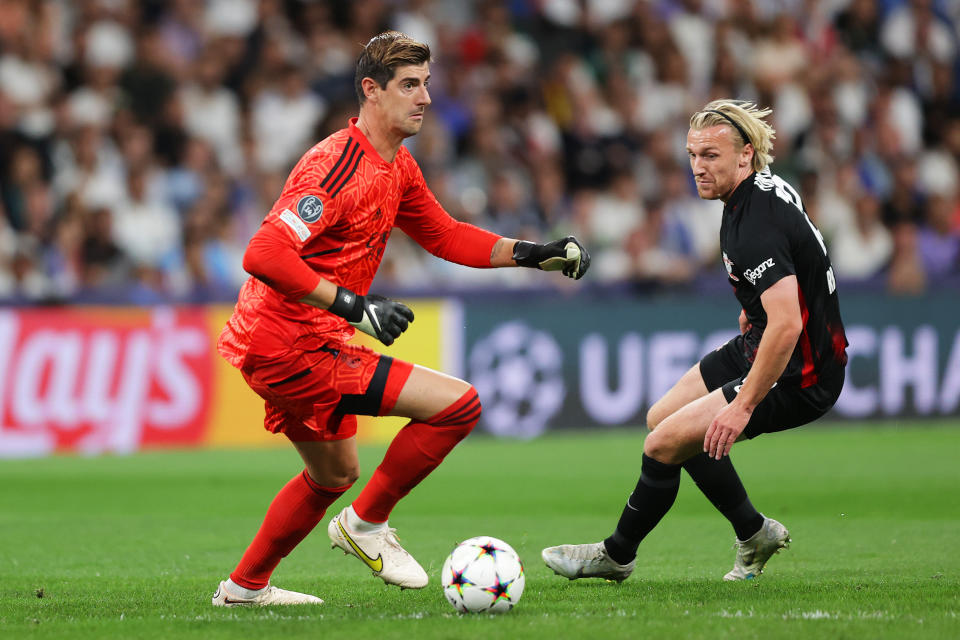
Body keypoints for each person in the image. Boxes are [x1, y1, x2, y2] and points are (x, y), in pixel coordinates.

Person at [211, 31, 590, 607]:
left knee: (334, 475)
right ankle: (365, 526)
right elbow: (263, 253)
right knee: (458, 405)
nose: (426, 98)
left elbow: (444, 234)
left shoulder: (397, 165)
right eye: (410, 85)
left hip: (288, 343)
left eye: (427, 84)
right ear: (371, 90)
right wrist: (353, 306)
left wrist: (531, 252)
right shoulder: (336, 165)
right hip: (292, 344)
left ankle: (242, 589)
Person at [542, 100, 848, 583]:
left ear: (746, 155)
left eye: (711, 156)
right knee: (662, 418)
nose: (698, 168)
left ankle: (617, 554)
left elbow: (788, 324)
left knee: (663, 444)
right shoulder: (762, 190)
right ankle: (753, 531)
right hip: (766, 338)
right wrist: (753, 307)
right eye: (692, 155)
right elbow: (796, 262)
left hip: (798, 370)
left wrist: (742, 405)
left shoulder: (754, 222)